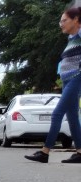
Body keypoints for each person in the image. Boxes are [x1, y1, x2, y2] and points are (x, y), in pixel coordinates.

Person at [25, 7, 81, 164]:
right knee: (72, 117)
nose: (61, 24)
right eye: (60, 21)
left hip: (77, 77)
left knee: (57, 114)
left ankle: (45, 152)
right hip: (67, 80)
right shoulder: (71, 38)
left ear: (76, 20)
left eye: (64, 20)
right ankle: (80, 152)